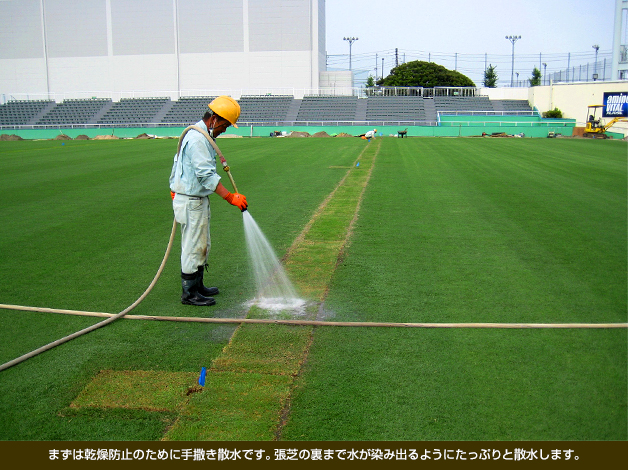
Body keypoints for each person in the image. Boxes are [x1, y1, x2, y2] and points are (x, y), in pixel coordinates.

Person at [169, 96, 248, 306]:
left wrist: (172, 186)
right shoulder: (197, 139)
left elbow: (177, 164)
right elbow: (205, 175)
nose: (224, 130)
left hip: (196, 199)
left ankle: (198, 285)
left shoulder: (201, 136)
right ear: (214, 119)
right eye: (224, 125)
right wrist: (231, 197)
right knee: (193, 246)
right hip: (191, 200)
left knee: (202, 244)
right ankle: (189, 293)